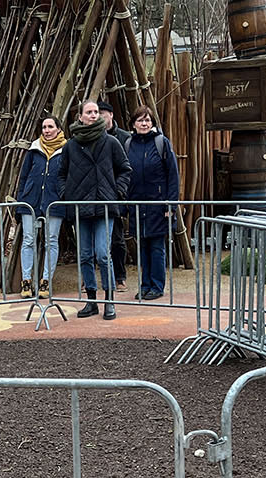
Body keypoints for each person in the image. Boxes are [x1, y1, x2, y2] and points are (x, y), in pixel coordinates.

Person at [57, 100, 131, 320]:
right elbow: (61, 174)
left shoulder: (110, 142)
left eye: (96, 112)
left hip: (104, 207)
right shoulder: (70, 146)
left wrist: (117, 192)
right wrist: (65, 194)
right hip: (80, 208)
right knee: (85, 255)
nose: (93, 115)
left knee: (103, 253)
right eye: (89, 112)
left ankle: (109, 300)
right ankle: (91, 300)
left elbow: (125, 169)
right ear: (80, 117)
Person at [122, 106, 180, 301]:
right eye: (140, 120)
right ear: (133, 124)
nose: (144, 124)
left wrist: (170, 204)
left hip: (158, 204)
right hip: (137, 204)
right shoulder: (128, 145)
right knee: (142, 246)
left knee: (156, 246)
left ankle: (156, 285)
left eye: (147, 120)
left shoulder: (161, 143)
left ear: (152, 123)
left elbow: (173, 176)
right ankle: (144, 285)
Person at [14, 115, 66, 300]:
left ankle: (45, 281)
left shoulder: (66, 150)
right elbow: (24, 176)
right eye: (44, 127)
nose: (47, 130)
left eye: (50, 126)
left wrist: (63, 196)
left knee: (51, 240)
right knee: (28, 239)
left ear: (58, 129)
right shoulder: (34, 150)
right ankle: (26, 280)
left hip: (54, 202)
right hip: (31, 201)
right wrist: (21, 201)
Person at [96, 101, 134, 292]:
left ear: (111, 115)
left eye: (103, 113)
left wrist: (120, 191)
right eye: (97, 113)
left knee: (117, 239)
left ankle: (120, 277)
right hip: (95, 196)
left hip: (116, 196)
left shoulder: (124, 138)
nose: (100, 117)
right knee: (93, 242)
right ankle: (93, 280)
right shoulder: (91, 138)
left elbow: (127, 168)